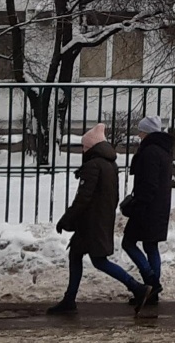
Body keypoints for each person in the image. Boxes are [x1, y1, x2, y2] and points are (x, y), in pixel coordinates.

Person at [49, 123, 152, 314]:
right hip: (100, 219)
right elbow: (112, 195)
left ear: (91, 147)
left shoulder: (93, 166)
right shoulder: (110, 164)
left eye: (84, 147)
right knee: (78, 255)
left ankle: (137, 288)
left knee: (98, 260)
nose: (83, 150)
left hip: (91, 223)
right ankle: (69, 299)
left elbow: (83, 198)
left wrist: (67, 219)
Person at [123, 116, 173, 306]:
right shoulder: (162, 150)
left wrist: (138, 204)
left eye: (141, 131)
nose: (139, 135)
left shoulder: (150, 152)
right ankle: (152, 292)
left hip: (147, 208)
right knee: (151, 246)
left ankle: (151, 282)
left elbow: (148, 184)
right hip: (158, 207)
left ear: (148, 133)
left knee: (128, 243)